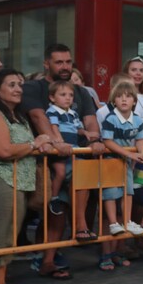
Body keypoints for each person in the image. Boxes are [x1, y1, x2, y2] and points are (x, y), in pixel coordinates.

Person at [0, 69, 66, 284]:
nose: (18, 89)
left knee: (9, 233)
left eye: (20, 84)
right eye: (12, 85)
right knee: (0, 234)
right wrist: (34, 143)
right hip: (1, 180)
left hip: (17, 182)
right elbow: (3, 150)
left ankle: (0, 282)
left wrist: (41, 144)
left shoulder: (17, 115)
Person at [21, 43, 101, 259]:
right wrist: (56, 142)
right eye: (59, 62)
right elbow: (39, 117)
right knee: (52, 215)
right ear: (46, 63)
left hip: (75, 159)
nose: (65, 66)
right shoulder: (33, 87)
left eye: (68, 62)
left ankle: (51, 258)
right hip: (45, 162)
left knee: (62, 208)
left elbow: (91, 122)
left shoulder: (81, 92)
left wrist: (94, 139)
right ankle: (43, 259)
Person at [98, 80, 143, 272]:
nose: (124, 99)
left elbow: (140, 139)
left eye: (128, 96)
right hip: (111, 162)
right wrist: (130, 153)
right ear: (113, 100)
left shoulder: (137, 120)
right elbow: (108, 141)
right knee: (110, 193)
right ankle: (112, 223)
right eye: (119, 96)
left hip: (127, 163)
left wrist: (141, 152)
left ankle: (126, 221)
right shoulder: (110, 119)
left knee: (128, 191)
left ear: (134, 101)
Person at [44, 80, 86, 217]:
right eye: (63, 94)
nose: (68, 98)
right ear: (52, 97)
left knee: (78, 174)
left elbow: (78, 128)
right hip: (60, 148)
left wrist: (87, 133)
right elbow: (54, 126)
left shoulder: (73, 113)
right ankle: (54, 198)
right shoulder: (52, 111)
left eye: (70, 95)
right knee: (60, 172)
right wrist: (58, 139)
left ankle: (75, 205)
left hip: (73, 148)